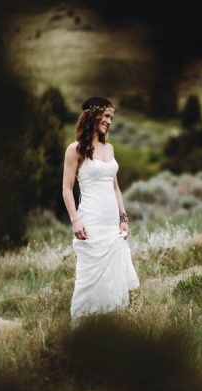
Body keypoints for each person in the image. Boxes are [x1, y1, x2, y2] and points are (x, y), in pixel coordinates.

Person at [62, 97, 139, 321]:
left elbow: (115, 188)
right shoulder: (75, 149)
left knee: (112, 281)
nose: (109, 121)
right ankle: (80, 328)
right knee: (88, 280)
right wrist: (75, 220)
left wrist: (123, 218)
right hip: (90, 223)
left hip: (110, 225)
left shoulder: (109, 149)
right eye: (106, 116)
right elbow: (67, 189)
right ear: (92, 116)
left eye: (111, 118)